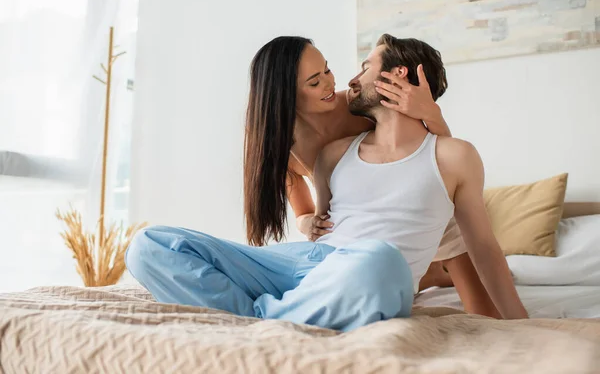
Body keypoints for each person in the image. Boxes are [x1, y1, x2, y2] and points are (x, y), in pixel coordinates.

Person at [125, 35, 512, 331]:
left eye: (331, 68)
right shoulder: (320, 148)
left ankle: (260, 316)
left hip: (382, 258)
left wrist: (432, 112)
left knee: (385, 262)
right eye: (316, 80)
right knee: (149, 245)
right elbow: (298, 186)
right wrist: (306, 217)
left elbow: (479, 238)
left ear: (397, 77)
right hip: (311, 261)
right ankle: (272, 318)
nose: (339, 80)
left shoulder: (447, 152)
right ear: (287, 97)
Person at [311, 34, 528, 320]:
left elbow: (484, 246)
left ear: (398, 74)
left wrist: (521, 321)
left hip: (374, 275)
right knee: (229, 259)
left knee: (379, 259)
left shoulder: (455, 157)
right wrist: (310, 221)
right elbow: (318, 231)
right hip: (314, 270)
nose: (350, 80)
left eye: (365, 67)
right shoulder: (332, 154)